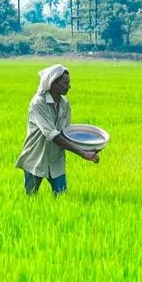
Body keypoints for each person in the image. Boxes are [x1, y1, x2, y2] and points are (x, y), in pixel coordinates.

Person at [15, 65, 99, 196]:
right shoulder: (38, 103)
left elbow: (65, 133)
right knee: (30, 197)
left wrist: (88, 148)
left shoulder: (65, 103)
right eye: (65, 83)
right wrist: (82, 153)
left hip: (56, 157)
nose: (69, 86)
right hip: (37, 156)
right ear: (53, 83)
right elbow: (53, 135)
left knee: (61, 197)